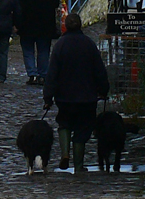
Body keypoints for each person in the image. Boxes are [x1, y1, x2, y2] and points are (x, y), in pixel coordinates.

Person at [43, 12, 109, 172]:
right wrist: (103, 90)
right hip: (87, 97)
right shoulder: (89, 45)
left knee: (64, 123)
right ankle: (78, 165)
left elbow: (52, 74)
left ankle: (65, 153)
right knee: (83, 128)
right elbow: (99, 71)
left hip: (64, 97)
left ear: (66, 26)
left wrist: (48, 96)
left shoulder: (60, 45)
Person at [16, 0, 60, 85]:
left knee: (28, 50)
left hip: (27, 23)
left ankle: (32, 74)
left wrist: (17, 23)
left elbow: (19, 6)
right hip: (45, 24)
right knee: (43, 50)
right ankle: (42, 75)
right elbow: (56, 3)